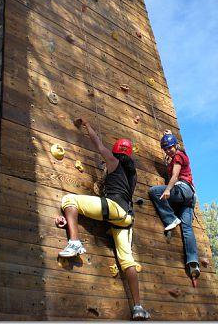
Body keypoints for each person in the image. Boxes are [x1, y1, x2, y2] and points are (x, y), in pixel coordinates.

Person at [57, 118, 150, 320]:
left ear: (116, 153)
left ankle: (74, 242)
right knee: (127, 261)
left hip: (114, 209)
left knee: (69, 199)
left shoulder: (114, 162)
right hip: (126, 219)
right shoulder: (131, 175)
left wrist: (87, 126)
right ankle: (139, 307)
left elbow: (98, 144)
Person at [148, 130, 200, 280]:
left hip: (183, 189)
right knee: (187, 229)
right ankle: (193, 262)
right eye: (165, 149)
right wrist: (169, 134)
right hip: (189, 198)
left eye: (170, 147)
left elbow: (176, 175)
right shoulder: (180, 154)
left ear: (176, 145)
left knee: (154, 192)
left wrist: (169, 189)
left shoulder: (178, 155)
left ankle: (170, 219)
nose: (168, 151)